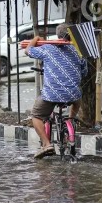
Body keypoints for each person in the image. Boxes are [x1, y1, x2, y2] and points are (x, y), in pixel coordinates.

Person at [25, 23, 87, 158]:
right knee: (77, 100)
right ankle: (70, 119)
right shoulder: (78, 51)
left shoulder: (48, 48)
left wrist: (35, 39)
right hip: (72, 93)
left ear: (57, 35)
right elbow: (84, 72)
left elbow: (28, 51)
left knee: (35, 115)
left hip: (51, 94)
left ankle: (47, 145)